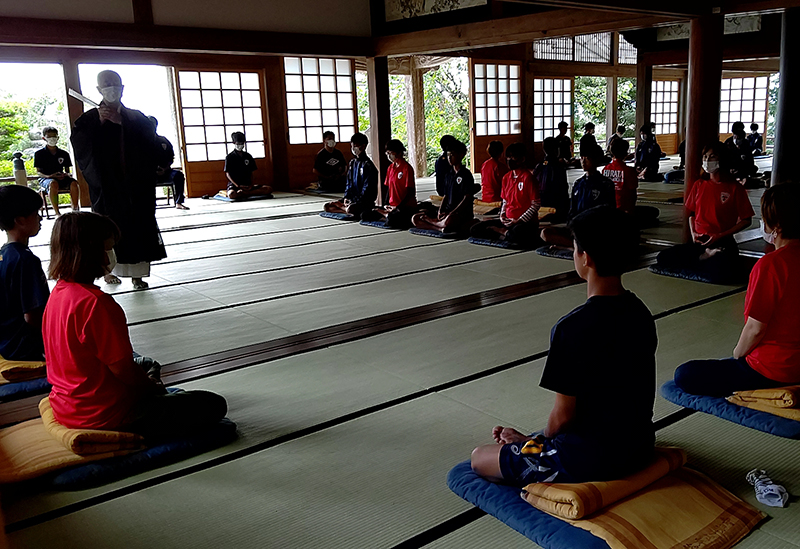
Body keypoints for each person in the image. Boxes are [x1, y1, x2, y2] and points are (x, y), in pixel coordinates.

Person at [471, 206, 655, 485]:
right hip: (639, 446)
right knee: (541, 444)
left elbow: (563, 418)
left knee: (479, 458)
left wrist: (538, 440)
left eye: (575, 249)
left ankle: (531, 447)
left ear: (586, 258)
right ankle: (531, 446)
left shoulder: (572, 328)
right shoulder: (640, 312)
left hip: (589, 460)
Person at [43, 212, 227, 437]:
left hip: (66, 405)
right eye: (107, 248)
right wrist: (153, 388)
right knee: (213, 404)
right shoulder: (96, 304)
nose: (111, 255)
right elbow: (124, 371)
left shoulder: (59, 293)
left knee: (148, 363)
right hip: (105, 414)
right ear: (91, 251)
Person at [674, 183, 800, 396]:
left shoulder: (771, 265)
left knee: (685, 374)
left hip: (774, 368)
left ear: (776, 225)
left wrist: (737, 354)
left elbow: (755, 328)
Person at [71, 70, 167, 291]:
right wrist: (100, 123)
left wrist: (122, 122)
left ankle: (138, 276)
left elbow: (150, 142)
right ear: (98, 90)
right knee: (107, 229)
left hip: (136, 185)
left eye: (115, 84)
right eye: (107, 84)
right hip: (108, 186)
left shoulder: (136, 117)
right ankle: (106, 272)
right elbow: (81, 146)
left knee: (139, 227)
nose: (112, 88)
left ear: (122, 87)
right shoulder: (89, 119)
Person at [655, 142, 754, 281]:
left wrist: (720, 235)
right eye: (705, 157)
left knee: (721, 269)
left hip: (722, 241)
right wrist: (693, 233)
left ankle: (707, 257)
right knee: (663, 258)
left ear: (722, 159)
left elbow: (746, 220)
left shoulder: (734, 188)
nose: (707, 161)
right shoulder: (699, 184)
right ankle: (704, 256)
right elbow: (692, 215)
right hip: (700, 242)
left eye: (712, 156)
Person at [0, 186, 49, 362]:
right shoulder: (25, 260)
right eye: (36, 214)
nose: (40, 218)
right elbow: (33, 316)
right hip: (25, 347)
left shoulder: (3, 254)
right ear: (20, 220)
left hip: (6, 341)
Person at [540, 144, 615, 248]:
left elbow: (608, 212)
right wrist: (571, 223)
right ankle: (576, 246)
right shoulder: (578, 183)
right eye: (582, 158)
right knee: (545, 233)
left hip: (593, 228)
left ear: (597, 160)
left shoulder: (605, 184)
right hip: (576, 226)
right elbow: (572, 209)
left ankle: (576, 247)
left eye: (587, 158)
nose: (583, 161)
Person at [470, 143, 540, 247]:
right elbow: (505, 201)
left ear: (522, 159)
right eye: (508, 157)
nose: (509, 160)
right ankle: (504, 234)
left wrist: (519, 220)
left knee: (518, 233)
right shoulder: (506, 177)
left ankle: (501, 233)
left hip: (524, 222)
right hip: (508, 220)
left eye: (513, 157)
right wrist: (502, 216)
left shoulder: (527, 178)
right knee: (475, 229)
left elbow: (536, 204)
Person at [411, 139, 476, 235]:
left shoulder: (466, 174)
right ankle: (439, 227)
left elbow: (467, 198)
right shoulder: (448, 174)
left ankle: (435, 223)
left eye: (452, 155)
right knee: (415, 218)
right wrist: (440, 211)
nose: (449, 158)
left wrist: (453, 212)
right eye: (448, 155)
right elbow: (445, 196)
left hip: (460, 213)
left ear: (461, 155)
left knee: (449, 220)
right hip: (447, 211)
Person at [362, 140, 417, 229]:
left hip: (404, 207)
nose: (388, 155)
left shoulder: (407, 168)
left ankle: (386, 216)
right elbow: (388, 188)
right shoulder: (390, 168)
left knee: (393, 219)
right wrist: (385, 205)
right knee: (365, 215)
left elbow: (410, 191)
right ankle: (386, 214)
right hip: (391, 206)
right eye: (387, 153)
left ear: (399, 153)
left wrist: (398, 207)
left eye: (390, 153)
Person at [323, 132, 378, 219]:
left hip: (363, 201)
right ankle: (345, 209)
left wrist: (355, 201)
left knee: (352, 208)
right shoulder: (353, 163)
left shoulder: (368, 165)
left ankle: (346, 209)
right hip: (351, 199)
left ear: (363, 146)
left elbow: (367, 190)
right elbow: (349, 183)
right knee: (327, 206)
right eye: (352, 146)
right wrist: (346, 198)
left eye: (355, 146)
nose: (353, 148)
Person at [34, 126, 79, 216]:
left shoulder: (64, 153)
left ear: (58, 137)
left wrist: (66, 175)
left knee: (74, 183)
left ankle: (75, 209)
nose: (52, 139)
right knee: (53, 184)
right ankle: (57, 213)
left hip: (61, 177)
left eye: (54, 136)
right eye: (49, 137)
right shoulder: (39, 154)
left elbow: (67, 170)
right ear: (44, 138)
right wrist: (49, 176)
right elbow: (38, 172)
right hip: (46, 179)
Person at [148, 116, 188, 210]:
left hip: (166, 171)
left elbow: (171, 156)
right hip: (149, 172)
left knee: (178, 175)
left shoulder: (163, 140)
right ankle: (150, 204)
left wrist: (164, 168)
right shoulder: (141, 141)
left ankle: (179, 202)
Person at [224, 132, 273, 201]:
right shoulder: (230, 157)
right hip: (235, 185)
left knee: (268, 189)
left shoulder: (248, 156)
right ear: (234, 143)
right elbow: (227, 173)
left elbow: (252, 172)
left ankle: (245, 193)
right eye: (238, 144)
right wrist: (237, 185)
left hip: (247, 184)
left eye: (241, 143)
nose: (240, 145)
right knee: (232, 194)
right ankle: (246, 193)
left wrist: (251, 184)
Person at [532, 137, 569, 222]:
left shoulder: (539, 166)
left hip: (539, 204)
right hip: (554, 206)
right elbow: (563, 190)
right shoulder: (558, 167)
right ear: (556, 149)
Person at [602, 138, 638, 215]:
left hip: (606, 209)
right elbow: (632, 195)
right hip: (623, 210)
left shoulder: (605, 169)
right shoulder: (629, 171)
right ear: (625, 152)